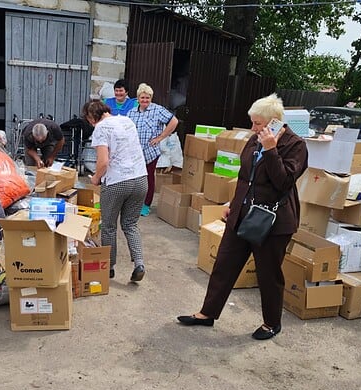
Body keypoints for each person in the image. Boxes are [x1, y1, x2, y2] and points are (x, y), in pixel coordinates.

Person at [176, 93, 308, 341]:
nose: (253, 128)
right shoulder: (255, 139)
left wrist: (271, 150)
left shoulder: (295, 145)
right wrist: (232, 202)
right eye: (254, 123)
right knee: (224, 264)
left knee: (268, 273)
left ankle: (271, 323)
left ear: (275, 122)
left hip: (273, 220)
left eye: (258, 123)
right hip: (243, 212)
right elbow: (246, 176)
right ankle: (207, 313)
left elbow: (283, 181)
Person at [82, 100, 148, 282]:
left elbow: (103, 162)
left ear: (91, 117)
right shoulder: (127, 121)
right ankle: (139, 264)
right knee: (130, 224)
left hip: (117, 182)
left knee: (109, 226)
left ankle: (109, 267)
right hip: (141, 179)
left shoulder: (101, 128)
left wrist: (95, 178)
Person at [127, 83, 178, 217]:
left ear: (151, 98)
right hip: (135, 152)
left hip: (150, 151)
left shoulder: (158, 110)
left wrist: (161, 137)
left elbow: (174, 121)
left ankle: (146, 204)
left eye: (147, 98)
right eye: (142, 98)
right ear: (138, 98)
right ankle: (134, 203)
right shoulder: (131, 112)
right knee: (134, 178)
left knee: (148, 178)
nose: (145, 100)